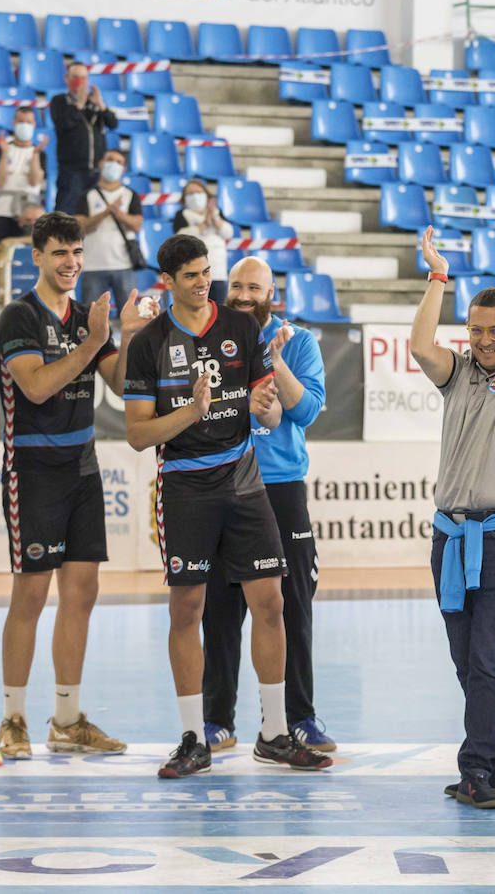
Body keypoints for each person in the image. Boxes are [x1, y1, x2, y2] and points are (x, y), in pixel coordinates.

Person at [124, 233, 330, 778]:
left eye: (205, 271)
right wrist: (192, 412)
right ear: (167, 281)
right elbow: (138, 435)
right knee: (188, 610)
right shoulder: (149, 343)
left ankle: (276, 732)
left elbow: (269, 413)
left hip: (246, 483)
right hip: (187, 487)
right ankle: (195, 737)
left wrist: (264, 411)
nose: (203, 282)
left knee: (272, 603)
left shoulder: (243, 329)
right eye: (190, 274)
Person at [0, 211, 145, 760]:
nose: (71, 263)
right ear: (37, 257)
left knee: (81, 593)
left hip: (82, 467)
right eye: (59, 253)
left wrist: (124, 336)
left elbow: (124, 387)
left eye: (77, 252)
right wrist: (92, 343)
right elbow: (34, 388)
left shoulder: (87, 316)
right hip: (32, 471)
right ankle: (12, 718)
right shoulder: (18, 317)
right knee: (30, 595)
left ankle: (66, 719)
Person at [411, 213, 495, 810]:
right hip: (451, 538)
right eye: (476, 331)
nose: (485, 340)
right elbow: (420, 345)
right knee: (469, 661)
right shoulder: (458, 374)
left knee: (489, 658)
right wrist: (438, 278)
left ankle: (474, 772)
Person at [201, 255, 331, 754]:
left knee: (293, 604)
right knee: (220, 605)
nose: (243, 294)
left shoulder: (297, 341)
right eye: (236, 285)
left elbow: (307, 410)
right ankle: (217, 720)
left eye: (254, 286)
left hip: (279, 486)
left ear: (271, 293)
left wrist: (272, 359)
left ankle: (298, 716)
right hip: (222, 481)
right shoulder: (210, 338)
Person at [76, 149, 141, 308]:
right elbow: (80, 226)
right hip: (93, 265)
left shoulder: (130, 195)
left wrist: (118, 213)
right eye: (110, 160)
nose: (113, 164)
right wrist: (105, 213)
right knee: (91, 317)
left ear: (123, 169)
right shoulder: (87, 195)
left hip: (124, 265)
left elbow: (137, 225)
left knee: (129, 318)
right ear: (101, 164)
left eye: (118, 162)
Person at [50, 62, 116, 219]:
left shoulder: (93, 103)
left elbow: (113, 124)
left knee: (95, 215)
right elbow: (63, 123)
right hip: (72, 171)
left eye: (83, 78)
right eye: (75, 77)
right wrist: (78, 104)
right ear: (66, 78)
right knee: (65, 217)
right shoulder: (60, 101)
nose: (79, 81)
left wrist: (101, 105)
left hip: (96, 170)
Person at [0, 107, 48, 260]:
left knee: (24, 257)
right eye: (20, 121)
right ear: (13, 123)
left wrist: (36, 154)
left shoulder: (40, 153)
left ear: (34, 125)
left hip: (28, 213)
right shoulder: (2, 150)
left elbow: (34, 181)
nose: (24, 125)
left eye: (28, 122)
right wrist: (5, 153)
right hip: (1, 209)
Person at [171, 179, 234, 304]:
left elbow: (228, 233)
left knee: (218, 310)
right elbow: (181, 236)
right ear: (184, 198)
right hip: (193, 273)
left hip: (218, 272)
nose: (195, 196)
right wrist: (204, 224)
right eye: (190, 193)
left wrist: (215, 218)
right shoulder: (182, 214)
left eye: (198, 192)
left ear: (206, 195)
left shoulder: (217, 212)